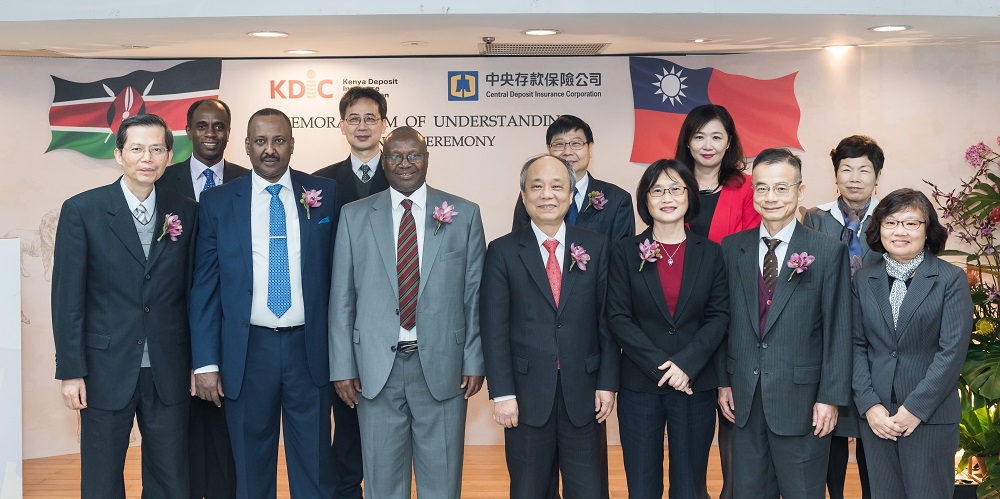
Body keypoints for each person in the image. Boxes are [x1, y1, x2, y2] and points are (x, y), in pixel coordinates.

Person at [189, 108, 339, 498]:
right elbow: (205, 287)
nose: (269, 150)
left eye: (278, 141)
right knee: (250, 469)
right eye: (260, 142)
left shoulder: (324, 194)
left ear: (291, 144)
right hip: (246, 352)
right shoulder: (217, 202)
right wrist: (206, 362)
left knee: (316, 466)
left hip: (310, 350)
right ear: (247, 146)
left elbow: (344, 278)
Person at [329, 126, 486, 499]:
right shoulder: (354, 216)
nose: (404, 163)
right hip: (374, 373)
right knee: (383, 484)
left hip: (443, 369)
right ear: (383, 162)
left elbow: (474, 295)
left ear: (427, 159)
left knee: (442, 483)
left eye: (413, 155)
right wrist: (342, 366)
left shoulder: (463, 213)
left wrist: (474, 359)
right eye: (395, 156)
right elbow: (342, 298)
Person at [52, 113, 198, 498]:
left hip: (169, 368)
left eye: (156, 149)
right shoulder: (82, 211)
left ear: (169, 155)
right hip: (104, 370)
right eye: (136, 149)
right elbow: (68, 299)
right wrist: (71, 372)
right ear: (119, 155)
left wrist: (200, 362)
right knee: (101, 481)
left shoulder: (186, 211)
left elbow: (192, 293)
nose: (146, 157)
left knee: (172, 479)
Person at [481, 154, 619, 499]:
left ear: (571, 194)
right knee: (529, 490)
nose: (547, 194)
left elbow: (608, 321)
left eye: (557, 186)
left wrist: (607, 383)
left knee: (589, 491)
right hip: (525, 399)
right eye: (537, 186)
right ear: (524, 196)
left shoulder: (596, 247)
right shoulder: (502, 251)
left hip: (584, 394)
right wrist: (503, 394)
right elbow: (494, 327)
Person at [719, 148, 852, 499]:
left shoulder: (827, 251)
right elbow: (722, 322)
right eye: (761, 188)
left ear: (800, 191)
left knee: (803, 491)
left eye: (781, 188)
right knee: (747, 491)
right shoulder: (732, 249)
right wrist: (723, 381)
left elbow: (839, 329)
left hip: (805, 401)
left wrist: (830, 398)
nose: (770, 197)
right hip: (744, 398)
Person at [512, 113, 633, 498]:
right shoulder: (530, 198)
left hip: (585, 356)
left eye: (576, 143)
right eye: (559, 144)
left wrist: (607, 379)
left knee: (587, 481)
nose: (568, 150)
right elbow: (523, 261)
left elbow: (616, 289)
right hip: (536, 360)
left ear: (590, 149)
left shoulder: (614, 200)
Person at [606, 159, 729, 499]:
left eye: (676, 188)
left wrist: (687, 364)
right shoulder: (625, 252)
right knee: (642, 486)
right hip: (640, 385)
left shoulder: (712, 253)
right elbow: (617, 317)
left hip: (694, 384)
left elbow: (719, 316)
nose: (667, 197)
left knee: (690, 485)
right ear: (644, 199)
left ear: (690, 195)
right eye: (656, 190)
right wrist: (662, 366)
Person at [852, 188, 972, 499]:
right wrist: (869, 405)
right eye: (891, 223)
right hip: (877, 418)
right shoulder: (863, 279)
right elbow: (855, 345)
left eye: (911, 223)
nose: (899, 231)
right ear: (879, 229)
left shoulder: (949, 279)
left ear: (928, 229)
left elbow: (952, 352)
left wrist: (915, 409)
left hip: (929, 417)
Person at [156, 98, 248, 499]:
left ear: (229, 132)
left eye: (220, 126)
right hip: (173, 325)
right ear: (188, 131)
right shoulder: (161, 181)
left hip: (231, 325)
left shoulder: (251, 181)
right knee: (181, 433)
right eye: (203, 126)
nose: (211, 134)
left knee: (228, 431)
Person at [673, 104, 759, 499]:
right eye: (699, 136)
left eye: (716, 136)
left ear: (729, 143)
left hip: (734, 309)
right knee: (690, 415)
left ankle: (733, 492)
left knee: (733, 408)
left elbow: (749, 247)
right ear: (687, 141)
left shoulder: (744, 186)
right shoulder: (671, 182)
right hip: (683, 316)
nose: (707, 145)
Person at [313, 85, 390, 499]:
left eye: (371, 118)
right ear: (341, 125)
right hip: (337, 318)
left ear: (384, 124)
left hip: (390, 321)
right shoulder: (319, 184)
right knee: (344, 416)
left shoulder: (404, 175)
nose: (362, 126)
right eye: (354, 119)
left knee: (386, 419)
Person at [802, 134, 886, 499]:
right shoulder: (815, 219)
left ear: (877, 176)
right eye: (846, 168)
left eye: (863, 169)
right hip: (828, 338)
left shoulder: (890, 219)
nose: (854, 177)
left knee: (873, 426)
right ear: (835, 175)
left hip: (878, 340)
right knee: (830, 425)